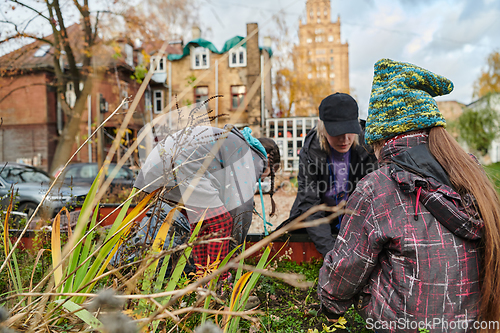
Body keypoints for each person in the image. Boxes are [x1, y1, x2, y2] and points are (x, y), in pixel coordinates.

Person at [318, 59, 500, 331]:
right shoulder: (472, 176)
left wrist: (329, 307)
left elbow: (341, 279)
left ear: (380, 137)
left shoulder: (376, 188)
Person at [134, 125, 280, 268]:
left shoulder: (232, 142)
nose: (261, 180)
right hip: (182, 163)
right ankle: (216, 279)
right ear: (267, 160)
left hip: (158, 163)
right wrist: (235, 249)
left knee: (202, 222)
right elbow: (242, 207)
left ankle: (201, 274)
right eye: (266, 175)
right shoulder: (250, 155)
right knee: (222, 223)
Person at [285, 93, 377, 257]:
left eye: (350, 131)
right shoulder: (310, 151)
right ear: (323, 127)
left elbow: (372, 200)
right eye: (337, 132)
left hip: (354, 219)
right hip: (317, 221)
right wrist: (332, 254)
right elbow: (310, 204)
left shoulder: (367, 146)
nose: (345, 139)